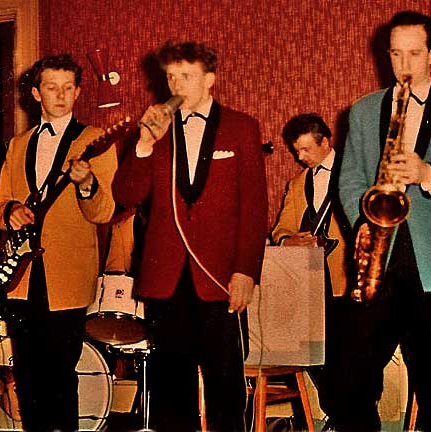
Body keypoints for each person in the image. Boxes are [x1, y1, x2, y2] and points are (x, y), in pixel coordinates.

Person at [337, 10, 431, 432]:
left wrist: (428, 173)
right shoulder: (364, 110)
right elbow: (348, 178)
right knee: (353, 379)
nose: (404, 65)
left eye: (415, 54)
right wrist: (363, 222)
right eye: (396, 54)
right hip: (379, 259)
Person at [112, 40, 268, 431]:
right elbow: (125, 195)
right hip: (166, 280)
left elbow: (254, 207)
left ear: (210, 79)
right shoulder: (155, 131)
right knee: (169, 388)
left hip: (218, 279)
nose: (177, 85)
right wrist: (145, 144)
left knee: (226, 388)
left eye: (187, 76)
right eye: (171, 77)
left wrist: (246, 271)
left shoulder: (241, 128)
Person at [0, 54, 117, 431]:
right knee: (27, 376)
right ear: (35, 93)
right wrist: (10, 208)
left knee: (61, 377)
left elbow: (104, 211)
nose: (60, 96)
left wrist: (87, 185)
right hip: (22, 277)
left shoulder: (95, 141)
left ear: (78, 91)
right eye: (51, 87)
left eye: (67, 88)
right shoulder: (18, 145)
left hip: (68, 278)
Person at [270, 113, 353, 427]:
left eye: (305, 149)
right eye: (296, 151)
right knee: (313, 354)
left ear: (325, 141)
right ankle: (339, 411)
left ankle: (345, 416)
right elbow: (280, 229)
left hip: (346, 278)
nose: (300, 157)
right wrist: (289, 240)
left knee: (348, 353)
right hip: (308, 283)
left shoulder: (354, 172)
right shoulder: (297, 183)